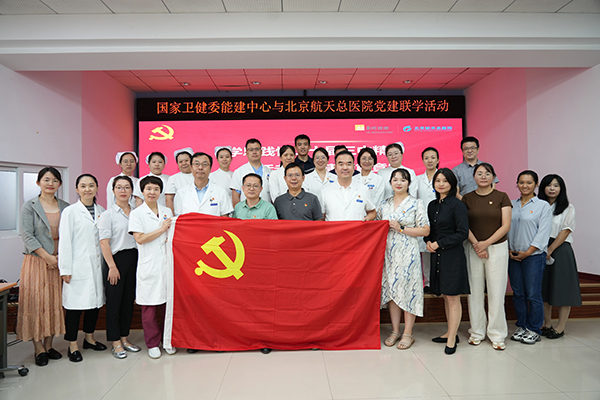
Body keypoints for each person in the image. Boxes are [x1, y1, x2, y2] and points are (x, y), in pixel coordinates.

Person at [17, 167, 69, 367]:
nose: (50, 183)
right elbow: (27, 235)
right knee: (36, 303)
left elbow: (70, 234)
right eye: (46, 180)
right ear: (38, 182)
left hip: (59, 261)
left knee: (55, 302)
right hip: (37, 261)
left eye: (55, 180)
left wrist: (60, 258)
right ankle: (38, 347)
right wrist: (47, 257)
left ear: (60, 184)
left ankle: (49, 345)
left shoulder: (65, 206)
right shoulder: (29, 206)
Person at [377, 168, 429, 350]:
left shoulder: (416, 203)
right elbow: (376, 226)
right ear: (390, 183)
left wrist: (401, 229)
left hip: (408, 253)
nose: (399, 183)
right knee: (392, 290)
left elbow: (425, 230)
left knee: (408, 290)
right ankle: (395, 331)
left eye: (403, 180)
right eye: (395, 179)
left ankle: (408, 333)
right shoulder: (384, 204)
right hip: (389, 253)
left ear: (409, 183)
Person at [462, 163, 512, 350]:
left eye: (487, 173)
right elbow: (464, 225)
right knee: (474, 292)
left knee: (496, 292)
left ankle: (497, 334)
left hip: (497, 248)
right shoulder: (467, 198)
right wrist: (477, 245)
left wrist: (486, 243)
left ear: (493, 177)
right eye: (479, 173)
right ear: (474, 177)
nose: (483, 176)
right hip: (473, 248)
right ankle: (477, 332)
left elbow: (506, 225)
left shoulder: (502, 197)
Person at [58, 174, 107, 363]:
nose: (87, 189)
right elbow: (65, 242)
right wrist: (65, 269)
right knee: (74, 308)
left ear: (97, 188)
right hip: (77, 267)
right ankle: (72, 345)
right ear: (77, 189)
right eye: (83, 186)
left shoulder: (102, 211)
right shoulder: (70, 212)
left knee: (94, 305)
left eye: (91, 185)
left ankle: (89, 339)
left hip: (96, 266)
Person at [129, 175, 175, 359]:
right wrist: (161, 229)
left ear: (160, 192)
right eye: (148, 189)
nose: (152, 192)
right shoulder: (137, 214)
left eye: (156, 189)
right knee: (149, 308)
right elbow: (140, 238)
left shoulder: (167, 211)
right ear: (142, 191)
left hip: (167, 264)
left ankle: (168, 339)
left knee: (168, 306)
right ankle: (153, 343)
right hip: (149, 265)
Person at [425, 168, 470, 355]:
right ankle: (450, 332)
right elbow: (430, 230)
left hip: (452, 255)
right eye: (438, 181)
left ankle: (452, 338)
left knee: (453, 297)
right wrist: (428, 241)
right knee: (445, 294)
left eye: (445, 180)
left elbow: (462, 233)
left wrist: (439, 243)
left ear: (452, 184)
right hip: (437, 255)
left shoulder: (458, 205)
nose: (441, 184)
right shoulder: (432, 205)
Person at [98, 175, 141, 359]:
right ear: (113, 190)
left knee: (128, 302)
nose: (123, 191)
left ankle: (125, 338)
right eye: (119, 187)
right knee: (114, 303)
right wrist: (112, 267)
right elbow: (104, 243)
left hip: (135, 258)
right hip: (115, 260)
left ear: (132, 190)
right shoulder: (107, 215)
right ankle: (115, 342)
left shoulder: (137, 212)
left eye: (126, 187)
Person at [508, 170, 552, 345]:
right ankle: (522, 325)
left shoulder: (542, 206)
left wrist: (528, 252)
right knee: (518, 293)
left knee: (533, 293)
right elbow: (505, 228)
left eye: (529, 182)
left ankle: (534, 328)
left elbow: (543, 233)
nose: (524, 185)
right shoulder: (511, 204)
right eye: (521, 182)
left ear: (536, 184)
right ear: (517, 184)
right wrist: (509, 250)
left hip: (533, 256)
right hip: (513, 256)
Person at [539, 174, 581, 339]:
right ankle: (547, 323)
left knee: (563, 288)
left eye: (556, 185)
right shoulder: (539, 205)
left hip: (561, 249)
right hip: (540, 248)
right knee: (544, 287)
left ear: (561, 189)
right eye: (549, 185)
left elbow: (565, 231)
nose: (552, 188)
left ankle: (560, 327)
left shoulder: (568, 207)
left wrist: (550, 249)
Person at [321, 151, 376, 221]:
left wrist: (367, 219)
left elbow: (372, 212)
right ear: (335, 168)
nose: (345, 168)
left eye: (348, 164)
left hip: (357, 228)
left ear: (353, 168)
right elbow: (321, 217)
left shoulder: (363, 189)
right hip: (333, 228)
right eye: (341, 164)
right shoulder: (325, 191)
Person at [174, 152, 233, 217]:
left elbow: (225, 218)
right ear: (191, 167)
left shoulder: (221, 192)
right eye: (196, 164)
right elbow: (178, 218)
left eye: (204, 164)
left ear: (210, 168)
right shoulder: (181, 193)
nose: (200, 167)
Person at [415, 147, 439, 291]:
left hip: (440, 220)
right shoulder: (418, 179)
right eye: (426, 158)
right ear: (423, 160)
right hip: (423, 221)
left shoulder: (442, 178)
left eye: (433, 157)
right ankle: (428, 283)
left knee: (439, 251)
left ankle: (439, 282)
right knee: (425, 254)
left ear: (438, 160)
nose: (430, 160)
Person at [230, 138, 272, 206]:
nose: (254, 152)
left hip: (266, 210)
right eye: (251, 150)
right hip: (245, 211)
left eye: (257, 149)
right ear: (246, 152)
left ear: (261, 151)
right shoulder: (239, 172)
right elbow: (235, 196)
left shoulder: (270, 172)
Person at [165, 147, 194, 215]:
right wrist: (172, 216)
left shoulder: (200, 175)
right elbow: (169, 199)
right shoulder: (173, 178)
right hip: (180, 214)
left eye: (186, 160)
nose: (184, 163)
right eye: (180, 162)